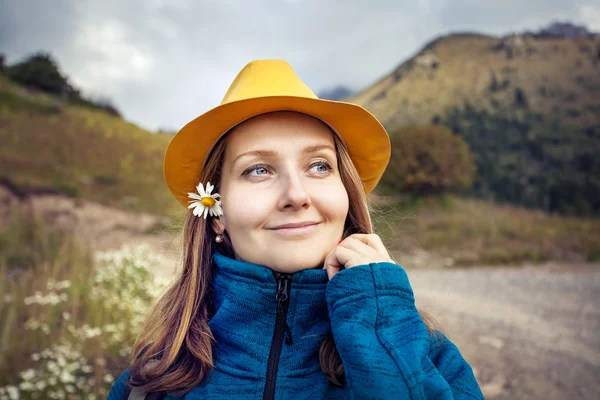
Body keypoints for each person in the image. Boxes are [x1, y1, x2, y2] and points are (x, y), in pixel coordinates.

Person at [107, 59, 484, 399]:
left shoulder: (428, 357)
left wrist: (381, 329)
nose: (296, 195)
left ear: (346, 194)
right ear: (216, 212)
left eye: (319, 166)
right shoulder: (152, 381)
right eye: (258, 169)